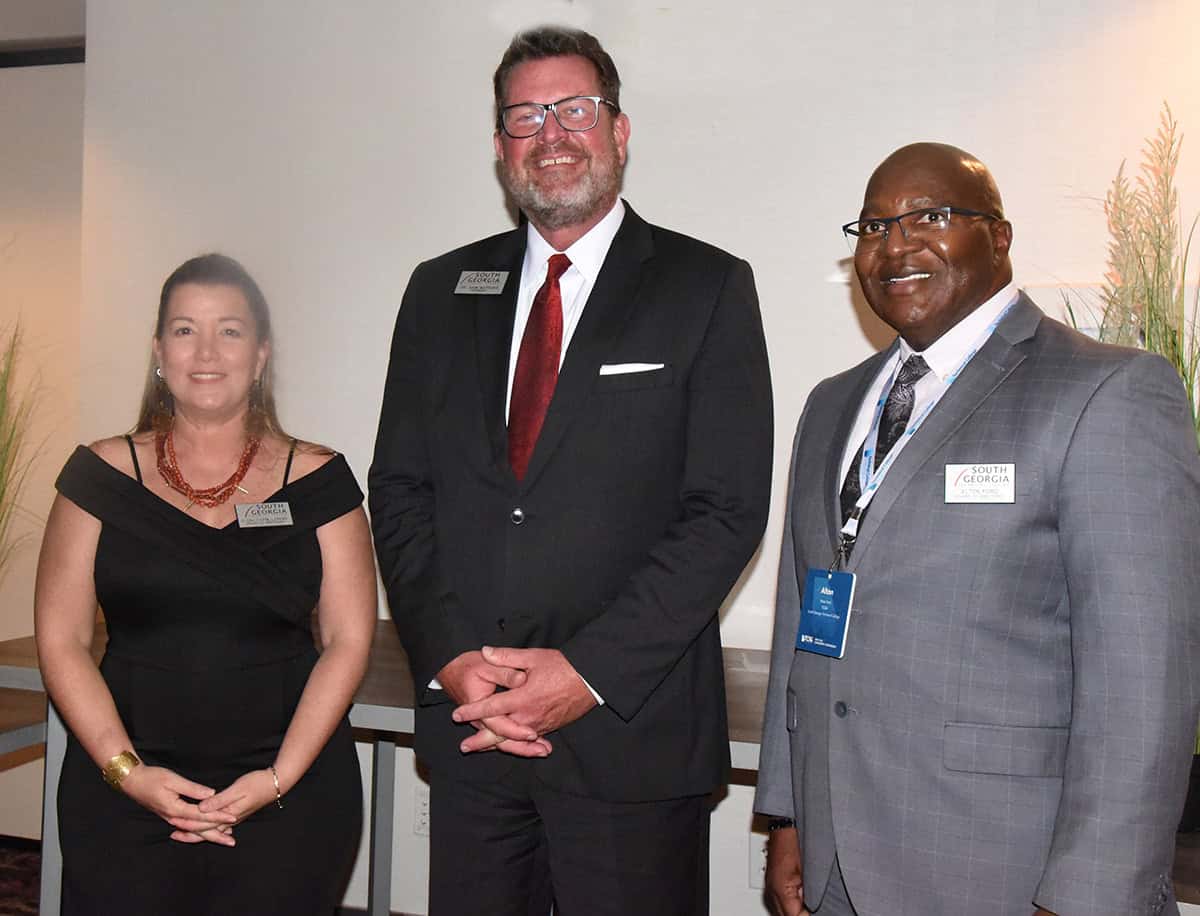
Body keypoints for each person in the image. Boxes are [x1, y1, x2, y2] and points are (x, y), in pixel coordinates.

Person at [369, 25, 773, 916]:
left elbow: (726, 510)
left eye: (574, 109)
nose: (550, 133)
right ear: (501, 148)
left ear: (619, 132)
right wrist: (450, 660)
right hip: (476, 737)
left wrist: (582, 675)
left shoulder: (705, 287)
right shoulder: (439, 291)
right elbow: (399, 490)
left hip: (629, 735)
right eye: (524, 116)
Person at [755, 141, 1200, 916]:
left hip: (1004, 871)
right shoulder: (832, 406)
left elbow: (1144, 681)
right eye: (873, 227)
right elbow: (807, 614)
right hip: (835, 861)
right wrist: (790, 810)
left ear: (998, 237)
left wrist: (1092, 895)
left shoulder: (1107, 392)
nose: (896, 246)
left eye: (931, 216)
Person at [35, 253, 375, 915]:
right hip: (123, 789)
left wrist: (277, 780)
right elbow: (62, 640)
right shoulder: (96, 477)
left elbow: (348, 640)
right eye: (186, 330)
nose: (207, 351)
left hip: (291, 796)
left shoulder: (320, 479)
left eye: (230, 330)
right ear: (159, 351)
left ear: (261, 353)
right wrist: (127, 775)